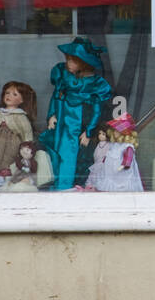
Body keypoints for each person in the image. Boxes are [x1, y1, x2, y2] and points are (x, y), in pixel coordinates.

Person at [39, 37, 113, 191]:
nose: (68, 64)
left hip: (76, 125)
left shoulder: (94, 83)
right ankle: (59, 183)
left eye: (72, 60)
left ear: (83, 63)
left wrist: (89, 131)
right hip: (61, 123)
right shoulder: (63, 75)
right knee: (56, 153)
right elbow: (57, 95)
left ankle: (65, 186)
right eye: (68, 60)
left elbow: (97, 109)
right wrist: (52, 114)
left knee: (70, 155)